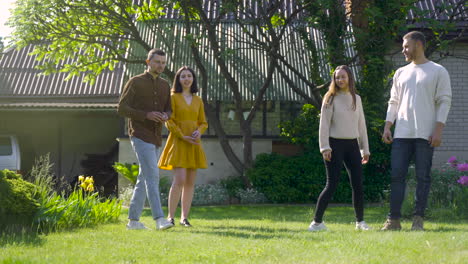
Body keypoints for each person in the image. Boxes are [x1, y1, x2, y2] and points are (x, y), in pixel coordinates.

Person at [381, 31, 452, 231]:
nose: (403, 49)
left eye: (406, 46)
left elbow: (444, 101)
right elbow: (393, 101)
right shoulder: (400, 73)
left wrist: (438, 130)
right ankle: (393, 220)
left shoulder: (437, 71)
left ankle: (418, 220)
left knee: (423, 178)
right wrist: (388, 125)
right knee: (396, 176)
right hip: (402, 135)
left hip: (425, 135)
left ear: (418, 45)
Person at [308, 65, 371, 232]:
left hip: (352, 145)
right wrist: (324, 147)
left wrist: (365, 149)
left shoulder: (357, 99)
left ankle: (360, 222)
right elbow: (324, 126)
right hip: (334, 145)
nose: (340, 80)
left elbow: (361, 125)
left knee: (357, 184)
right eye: (337, 77)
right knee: (332, 184)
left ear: (349, 78)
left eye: (343, 76)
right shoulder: (329, 98)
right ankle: (316, 223)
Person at [118, 48, 174, 230]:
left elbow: (169, 110)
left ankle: (133, 221)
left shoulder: (166, 85)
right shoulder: (135, 82)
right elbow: (122, 108)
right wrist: (146, 115)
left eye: (163, 63)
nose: (161, 65)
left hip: (157, 136)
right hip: (140, 134)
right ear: (148, 62)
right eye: (157, 62)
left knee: (144, 177)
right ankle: (159, 219)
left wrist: (166, 115)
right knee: (152, 175)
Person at [158, 66, 208, 227]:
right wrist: (181, 134)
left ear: (193, 79)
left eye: (189, 76)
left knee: (190, 182)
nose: (186, 79)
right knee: (179, 180)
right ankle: (170, 217)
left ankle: (184, 218)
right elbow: (168, 120)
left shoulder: (198, 100)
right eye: (183, 76)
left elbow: (203, 122)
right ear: (178, 80)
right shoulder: (173, 97)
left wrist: (199, 132)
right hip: (178, 141)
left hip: (193, 143)